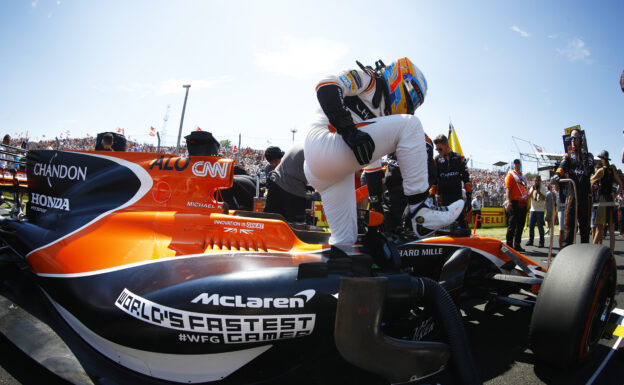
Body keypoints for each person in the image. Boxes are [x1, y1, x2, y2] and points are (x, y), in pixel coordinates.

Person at [303, 57, 463, 244]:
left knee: (344, 242)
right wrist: (347, 129)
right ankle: (421, 211)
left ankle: (333, 269)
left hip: (329, 169)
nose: (411, 108)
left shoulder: (379, 111)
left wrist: (376, 202)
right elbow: (325, 85)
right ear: (401, 81)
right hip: (324, 143)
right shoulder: (369, 80)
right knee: (411, 126)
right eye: (412, 99)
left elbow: (371, 163)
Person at [551, 128, 594, 247]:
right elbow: (562, 167)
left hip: (585, 197)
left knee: (585, 230)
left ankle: (585, 256)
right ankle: (566, 252)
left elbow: (588, 171)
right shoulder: (568, 156)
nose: (573, 141)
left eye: (575, 138)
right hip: (572, 195)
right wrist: (556, 175)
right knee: (569, 228)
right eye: (571, 139)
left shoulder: (589, 156)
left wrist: (583, 155)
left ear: (581, 140)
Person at [263, 143, 312, 223]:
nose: (274, 164)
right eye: (272, 162)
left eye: (275, 161)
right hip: (291, 191)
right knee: (272, 220)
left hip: (288, 189)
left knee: (276, 220)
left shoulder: (288, 159)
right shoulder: (269, 168)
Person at [431, 134, 472, 228]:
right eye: (437, 149)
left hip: (457, 197)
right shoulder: (436, 160)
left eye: (440, 149)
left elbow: (467, 180)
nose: (438, 151)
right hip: (442, 198)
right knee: (443, 226)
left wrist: (469, 197)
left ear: (446, 145)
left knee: (462, 225)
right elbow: (434, 181)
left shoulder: (459, 158)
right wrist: (432, 195)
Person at [590, 150, 624, 252]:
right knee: (612, 230)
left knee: (599, 229)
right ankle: (611, 253)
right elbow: (621, 185)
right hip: (610, 199)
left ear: (602, 159)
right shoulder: (612, 171)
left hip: (603, 199)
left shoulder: (601, 171)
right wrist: (615, 195)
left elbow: (591, 180)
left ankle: (592, 252)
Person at [505, 159, 529, 251]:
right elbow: (508, 189)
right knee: (512, 224)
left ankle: (517, 244)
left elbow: (525, 188)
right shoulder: (511, 175)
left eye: (519, 163)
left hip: (523, 202)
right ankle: (509, 245)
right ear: (514, 165)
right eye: (516, 163)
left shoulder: (523, 175)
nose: (518, 165)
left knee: (521, 225)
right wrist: (509, 202)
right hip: (514, 202)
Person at [526, 175, 547, 247]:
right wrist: (533, 190)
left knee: (540, 227)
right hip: (533, 209)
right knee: (531, 226)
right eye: (535, 181)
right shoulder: (532, 187)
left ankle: (541, 242)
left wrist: (539, 192)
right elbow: (529, 196)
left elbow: (544, 198)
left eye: (537, 181)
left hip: (540, 210)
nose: (536, 182)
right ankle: (530, 240)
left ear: (540, 181)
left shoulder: (543, 188)